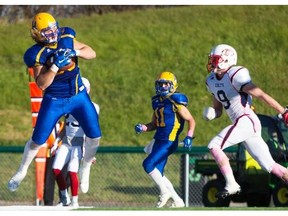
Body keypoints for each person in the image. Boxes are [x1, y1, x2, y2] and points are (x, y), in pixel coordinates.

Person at [8, 12, 101, 194]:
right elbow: (42, 84)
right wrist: (55, 66)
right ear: (36, 34)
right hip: (55, 100)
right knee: (38, 140)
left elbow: (92, 53)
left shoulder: (66, 38)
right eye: (46, 31)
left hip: (78, 96)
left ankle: (86, 168)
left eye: (52, 29)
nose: (52, 34)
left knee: (95, 135)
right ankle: (22, 170)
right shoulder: (36, 53)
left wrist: (76, 52)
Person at [203, 43, 288, 199]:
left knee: (214, 145)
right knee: (271, 167)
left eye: (216, 59)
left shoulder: (235, 75)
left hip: (246, 120)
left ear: (226, 60)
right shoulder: (212, 81)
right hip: (244, 124)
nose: (212, 62)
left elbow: (259, 94)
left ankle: (232, 184)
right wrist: (212, 114)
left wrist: (283, 111)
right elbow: (218, 110)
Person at [134, 71, 196, 208]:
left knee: (148, 164)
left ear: (173, 85)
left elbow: (191, 120)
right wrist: (144, 127)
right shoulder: (156, 101)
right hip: (158, 139)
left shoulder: (176, 100)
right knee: (159, 173)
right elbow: (154, 124)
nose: (162, 87)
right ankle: (178, 201)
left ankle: (164, 192)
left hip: (169, 141)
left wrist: (189, 136)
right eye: (160, 84)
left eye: (166, 84)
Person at [52, 77, 100, 207]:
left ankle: (75, 201)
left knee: (73, 171)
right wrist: (57, 141)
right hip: (66, 143)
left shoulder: (93, 107)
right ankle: (64, 197)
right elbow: (66, 126)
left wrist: (90, 152)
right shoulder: (67, 103)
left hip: (79, 144)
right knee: (56, 169)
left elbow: (92, 131)